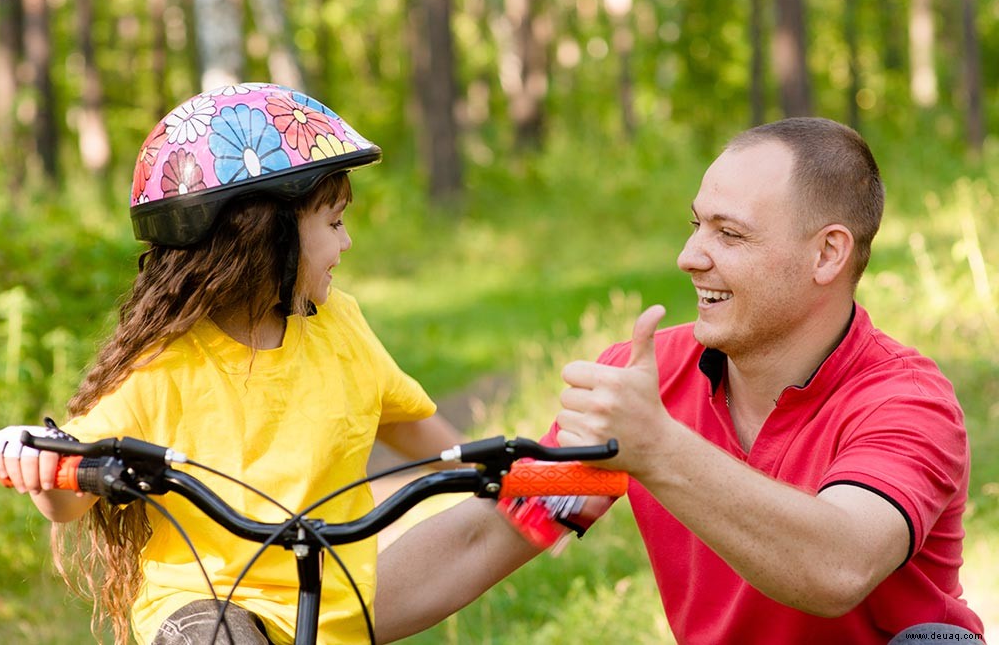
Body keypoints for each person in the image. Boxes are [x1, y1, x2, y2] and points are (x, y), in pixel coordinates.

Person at [374, 117, 985, 643]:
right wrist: (296, 623)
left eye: (730, 233)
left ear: (827, 254)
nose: (690, 256)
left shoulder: (905, 400)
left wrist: (657, 447)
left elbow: (837, 569)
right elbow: (491, 534)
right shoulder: (646, 380)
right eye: (696, 225)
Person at [0, 83, 463, 645]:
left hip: (329, 612)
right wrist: (38, 461)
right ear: (263, 237)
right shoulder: (165, 365)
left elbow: (400, 417)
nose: (348, 241)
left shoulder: (340, 325)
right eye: (333, 224)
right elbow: (69, 492)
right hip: (205, 612)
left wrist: (487, 471)